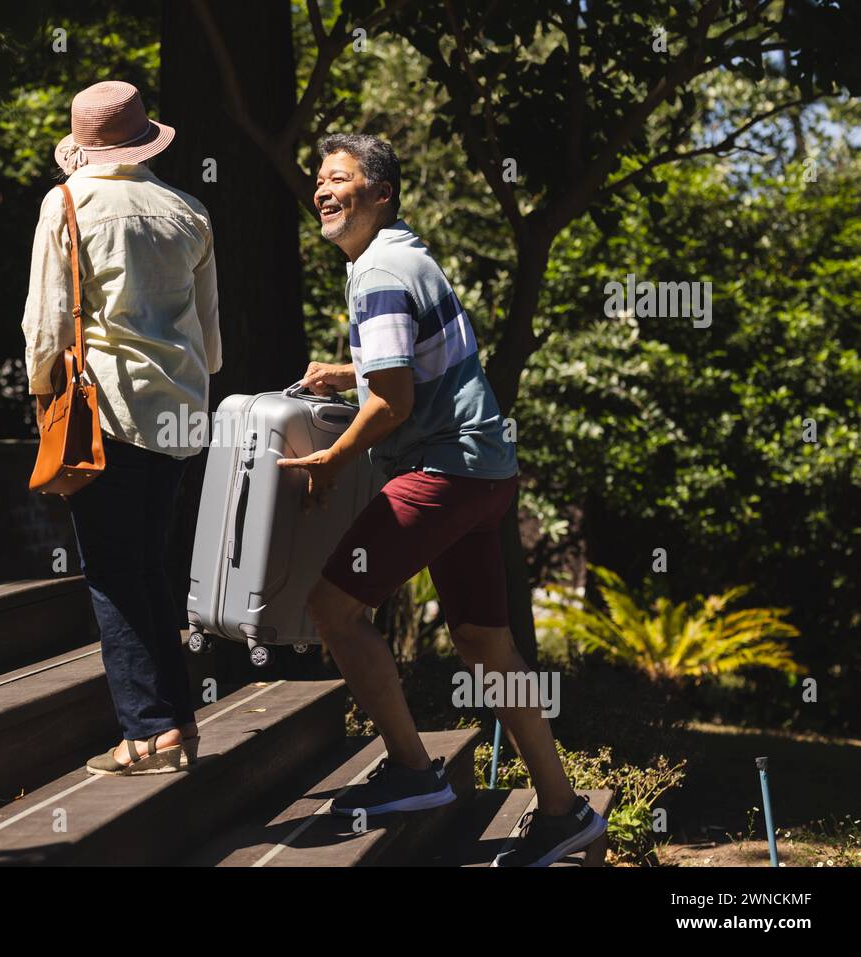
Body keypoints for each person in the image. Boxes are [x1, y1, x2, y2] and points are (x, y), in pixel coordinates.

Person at [276, 133, 607, 865]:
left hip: (442, 470)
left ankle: (414, 771)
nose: (324, 192)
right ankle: (564, 811)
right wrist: (344, 371)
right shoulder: (403, 259)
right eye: (320, 182)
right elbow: (406, 367)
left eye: (340, 179)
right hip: (484, 472)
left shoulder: (378, 273)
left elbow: (392, 402)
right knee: (487, 642)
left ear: (382, 194)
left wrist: (328, 459)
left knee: (332, 610)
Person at [21, 80, 221, 775]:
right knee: (149, 568)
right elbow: (213, 343)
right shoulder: (189, 211)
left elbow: (46, 325)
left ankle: (146, 733)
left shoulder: (67, 202)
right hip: (181, 416)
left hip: (106, 412)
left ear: (83, 146)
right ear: (143, 139)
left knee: (111, 572)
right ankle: (180, 722)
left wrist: (43, 394)